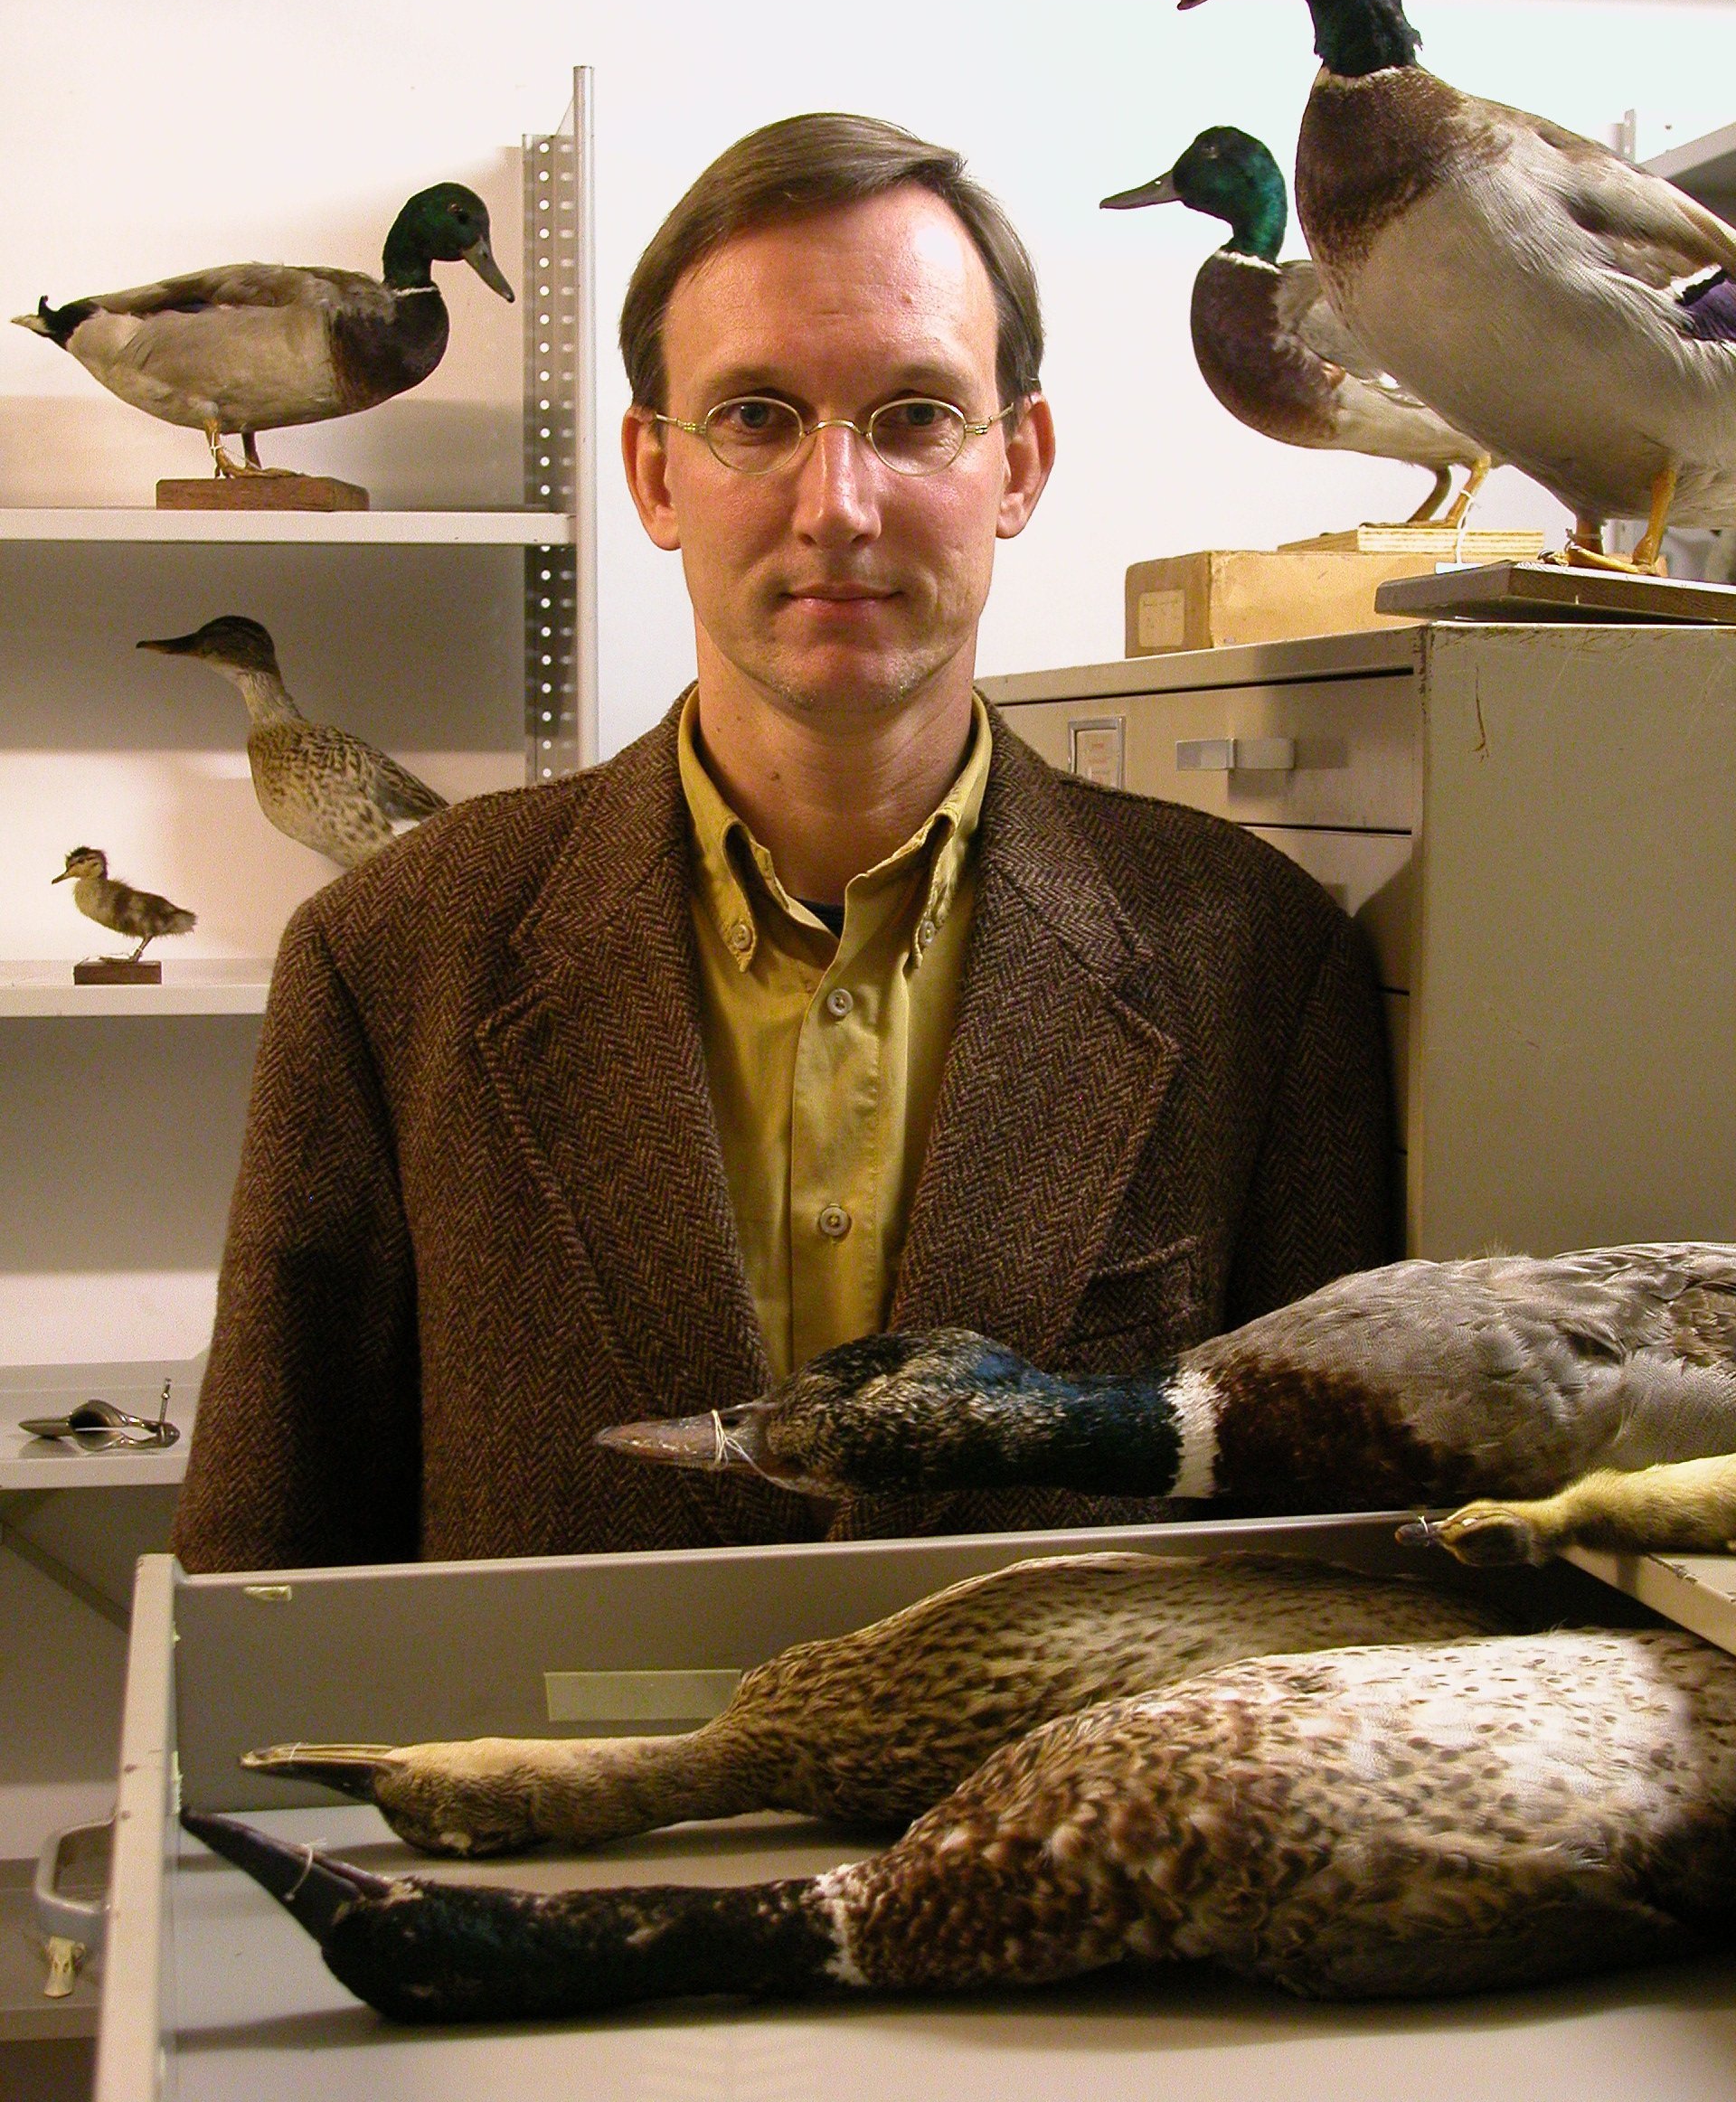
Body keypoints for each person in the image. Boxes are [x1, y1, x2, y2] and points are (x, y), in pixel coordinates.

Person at [172, 113, 1392, 1573]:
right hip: (557, 1796)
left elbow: (1331, 1552)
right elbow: (268, 1572)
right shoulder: (395, 957)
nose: (839, 506)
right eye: (755, 416)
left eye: (916, 415)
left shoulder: (1253, 960)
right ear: (655, 474)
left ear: (1019, 462)